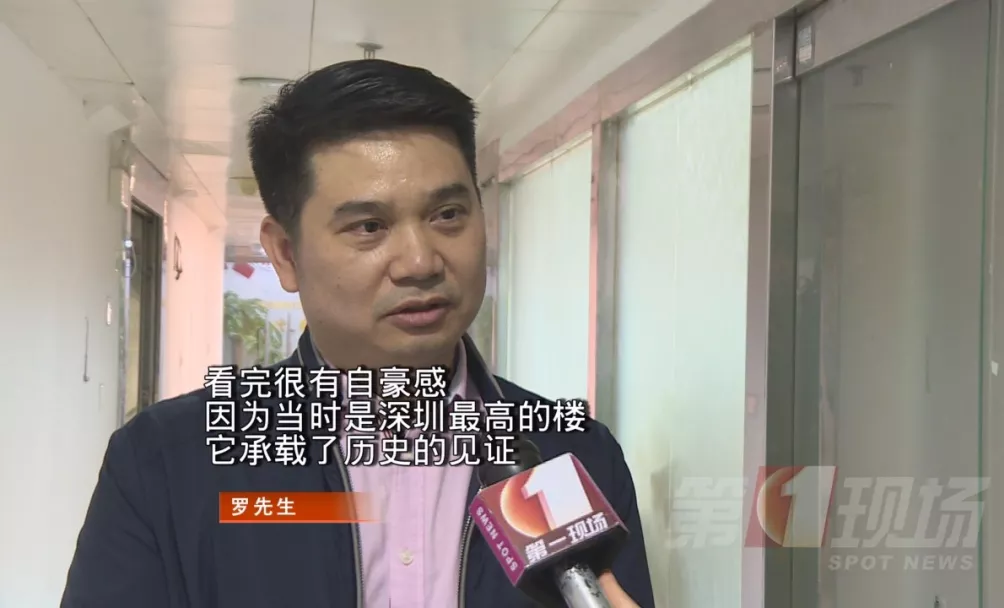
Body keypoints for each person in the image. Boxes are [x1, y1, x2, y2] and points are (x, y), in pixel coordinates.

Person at [61, 59, 654, 608]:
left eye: (448, 215)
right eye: (369, 226)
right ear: (286, 253)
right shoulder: (165, 463)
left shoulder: (575, 453)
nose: (420, 261)